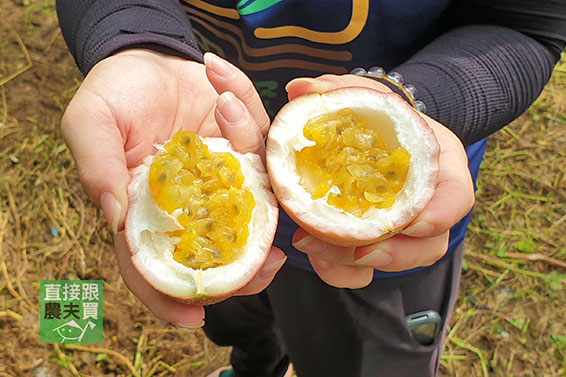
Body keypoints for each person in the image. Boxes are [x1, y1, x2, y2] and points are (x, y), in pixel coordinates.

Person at [55, 1, 566, 376]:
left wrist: (413, 98)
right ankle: (258, 365)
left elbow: (522, 23)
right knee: (236, 322)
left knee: (359, 359)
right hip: (197, 126)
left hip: (375, 253)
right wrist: (136, 41)